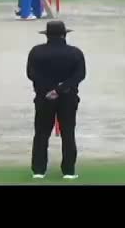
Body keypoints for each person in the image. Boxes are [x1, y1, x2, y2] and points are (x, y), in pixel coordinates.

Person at [26, 20, 86, 179]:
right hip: (68, 97)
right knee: (68, 133)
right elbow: (79, 75)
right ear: (64, 35)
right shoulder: (75, 53)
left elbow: (31, 74)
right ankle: (69, 171)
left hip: (44, 98)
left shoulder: (36, 52)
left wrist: (49, 89)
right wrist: (59, 89)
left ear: (47, 36)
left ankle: (39, 171)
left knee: (41, 134)